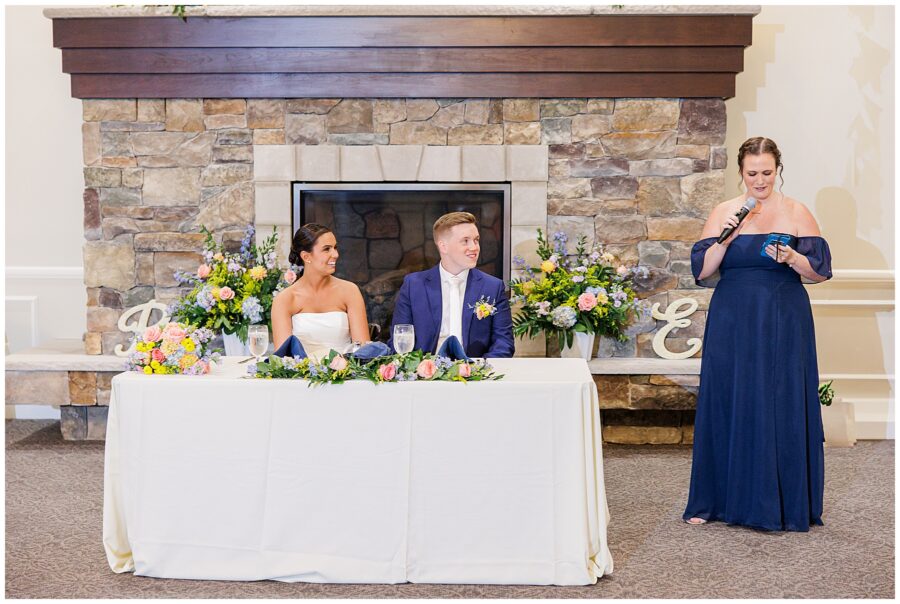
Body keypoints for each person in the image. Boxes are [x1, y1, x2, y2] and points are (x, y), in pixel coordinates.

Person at [683, 137, 833, 532]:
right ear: (741, 173)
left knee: (779, 399)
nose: (760, 181)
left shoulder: (797, 211)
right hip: (733, 317)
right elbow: (702, 271)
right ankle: (714, 499)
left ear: (777, 169)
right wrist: (726, 238)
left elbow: (818, 273)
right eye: (753, 173)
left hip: (784, 317)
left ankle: (782, 503)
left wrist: (793, 257)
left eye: (767, 172)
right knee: (730, 397)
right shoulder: (724, 212)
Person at [391, 211, 515, 358]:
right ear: (443, 246)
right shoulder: (414, 285)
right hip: (424, 373)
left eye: (476, 240)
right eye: (465, 241)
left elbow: (504, 343)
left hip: (476, 374)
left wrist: (480, 371)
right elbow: (399, 338)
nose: (474, 247)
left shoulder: (493, 287)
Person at [271, 223, 370, 360]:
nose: (335, 254)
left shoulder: (350, 291)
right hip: (301, 378)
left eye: (335, 248)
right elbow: (284, 360)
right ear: (306, 257)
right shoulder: (285, 300)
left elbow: (364, 350)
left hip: (346, 377)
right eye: (326, 249)